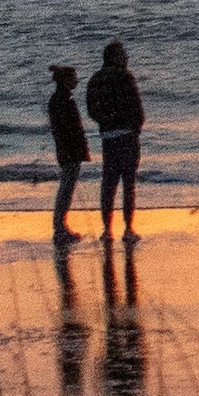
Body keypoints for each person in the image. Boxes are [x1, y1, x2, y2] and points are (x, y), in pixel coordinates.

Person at [82, 40, 146, 244]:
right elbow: (137, 106)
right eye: (123, 54)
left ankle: (107, 229)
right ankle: (128, 229)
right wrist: (135, 126)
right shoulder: (125, 77)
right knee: (128, 184)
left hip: (108, 137)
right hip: (127, 135)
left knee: (108, 184)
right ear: (116, 57)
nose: (126, 57)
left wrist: (105, 122)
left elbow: (92, 110)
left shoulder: (96, 79)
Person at [44, 62, 90, 243]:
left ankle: (60, 226)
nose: (77, 82)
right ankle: (60, 227)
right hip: (69, 151)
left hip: (67, 150)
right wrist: (76, 148)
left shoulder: (59, 99)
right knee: (66, 189)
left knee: (66, 188)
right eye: (74, 78)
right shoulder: (63, 100)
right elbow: (69, 129)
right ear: (66, 80)